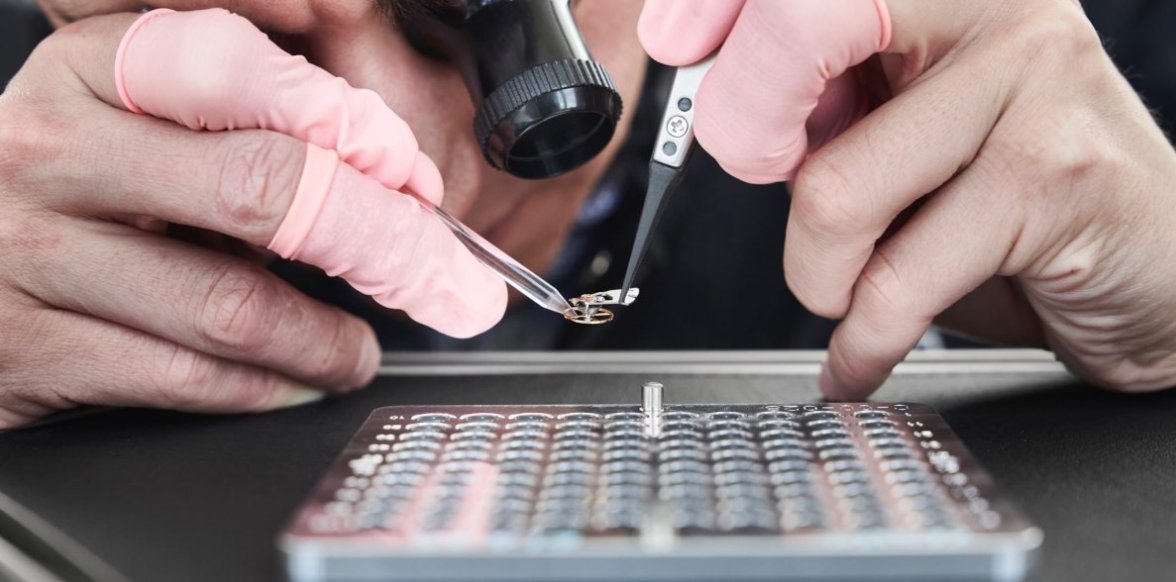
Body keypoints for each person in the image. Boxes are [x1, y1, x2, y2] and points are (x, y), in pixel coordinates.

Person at [1, 0, 1174, 429]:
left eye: (455, 17)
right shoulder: (30, 121)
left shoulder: (1015, 37)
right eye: (284, 40)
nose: (391, 143)